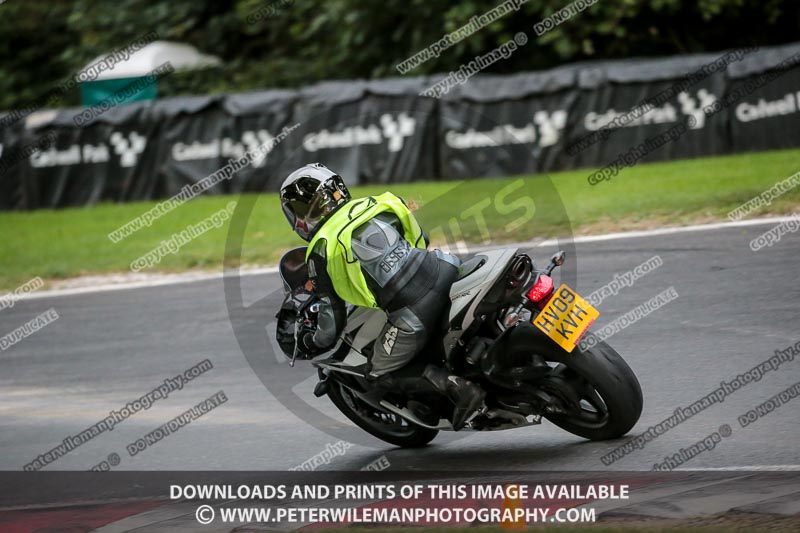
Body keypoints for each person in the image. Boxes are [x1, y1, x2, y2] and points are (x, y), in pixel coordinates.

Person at [278, 163, 485, 429]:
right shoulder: (380, 202)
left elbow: (333, 316)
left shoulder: (322, 248)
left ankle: (459, 388)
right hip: (445, 266)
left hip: (413, 309)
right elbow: (419, 240)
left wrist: (311, 339)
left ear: (302, 212)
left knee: (379, 372)